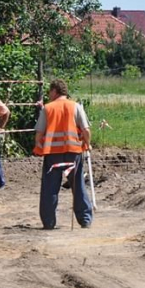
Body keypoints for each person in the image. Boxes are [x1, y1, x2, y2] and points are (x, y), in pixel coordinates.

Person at [34, 79, 93, 229]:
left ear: (54, 91)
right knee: (78, 185)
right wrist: (87, 143)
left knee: (49, 189)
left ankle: (48, 222)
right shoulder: (76, 106)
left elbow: (39, 133)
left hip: (52, 154)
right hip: (73, 152)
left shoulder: (47, 109)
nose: (49, 95)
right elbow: (85, 129)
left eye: (49, 91)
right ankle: (85, 219)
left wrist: (39, 147)